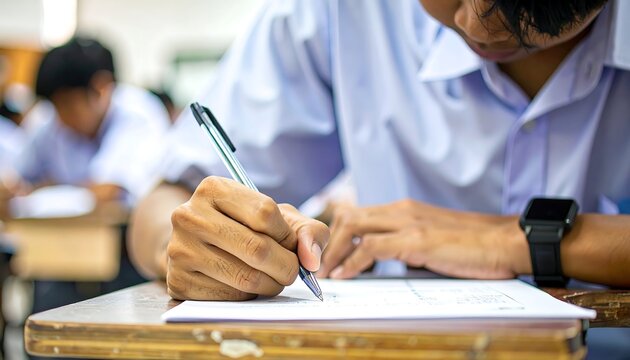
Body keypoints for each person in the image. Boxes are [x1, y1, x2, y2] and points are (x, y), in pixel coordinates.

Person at [129, 0, 630, 304]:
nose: (478, 27)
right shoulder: (343, 12)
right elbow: (162, 206)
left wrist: (514, 241)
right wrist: (195, 248)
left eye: (535, 14)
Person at [13, 37, 170, 207]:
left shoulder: (139, 114)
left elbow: (108, 192)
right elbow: (16, 182)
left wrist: (45, 189)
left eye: (67, 104)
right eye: (55, 106)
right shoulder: (49, 120)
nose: (61, 117)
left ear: (101, 89)